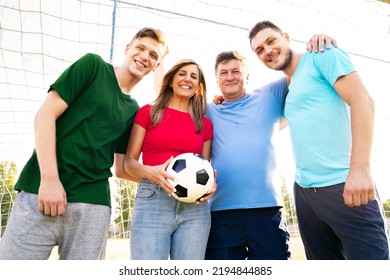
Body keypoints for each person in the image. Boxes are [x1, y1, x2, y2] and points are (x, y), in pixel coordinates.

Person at [0, 27, 166, 260]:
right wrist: (49, 180)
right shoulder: (93, 66)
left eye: (153, 55)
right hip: (40, 191)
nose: (144, 56)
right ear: (128, 48)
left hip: (93, 204)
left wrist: (160, 178)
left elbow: (121, 168)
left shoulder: (133, 110)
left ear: (156, 66)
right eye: (140, 48)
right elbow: (45, 116)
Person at [248, 20, 390, 260]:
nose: (267, 51)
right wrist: (225, 101)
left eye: (271, 41)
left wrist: (359, 170)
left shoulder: (322, 55)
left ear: (286, 36)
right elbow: (265, 126)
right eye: (259, 50)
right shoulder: (288, 89)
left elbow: (363, 101)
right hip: (305, 194)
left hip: (344, 184)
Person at [121, 59, 215, 260]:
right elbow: (129, 163)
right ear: (171, 79)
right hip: (152, 200)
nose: (187, 79)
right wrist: (152, 173)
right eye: (182, 73)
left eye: (193, 76)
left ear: (198, 86)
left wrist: (210, 185)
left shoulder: (204, 124)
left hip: (195, 210)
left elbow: (205, 167)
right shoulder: (148, 112)